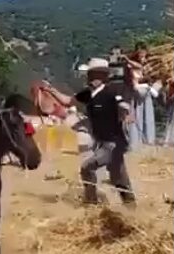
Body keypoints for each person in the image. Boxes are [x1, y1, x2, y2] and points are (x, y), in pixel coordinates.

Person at [42, 58, 136, 208]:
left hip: (113, 144)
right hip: (104, 143)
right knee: (118, 177)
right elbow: (68, 101)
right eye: (91, 75)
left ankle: (92, 203)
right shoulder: (88, 93)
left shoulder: (113, 91)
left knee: (88, 167)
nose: (92, 78)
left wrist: (125, 114)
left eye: (95, 75)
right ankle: (130, 206)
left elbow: (123, 107)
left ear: (104, 76)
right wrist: (50, 90)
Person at [123, 42, 157, 147]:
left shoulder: (148, 64)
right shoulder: (130, 65)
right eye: (139, 52)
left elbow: (147, 72)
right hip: (135, 93)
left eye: (143, 52)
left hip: (145, 93)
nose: (141, 54)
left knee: (148, 116)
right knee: (137, 115)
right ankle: (136, 141)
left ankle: (149, 140)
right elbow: (132, 76)